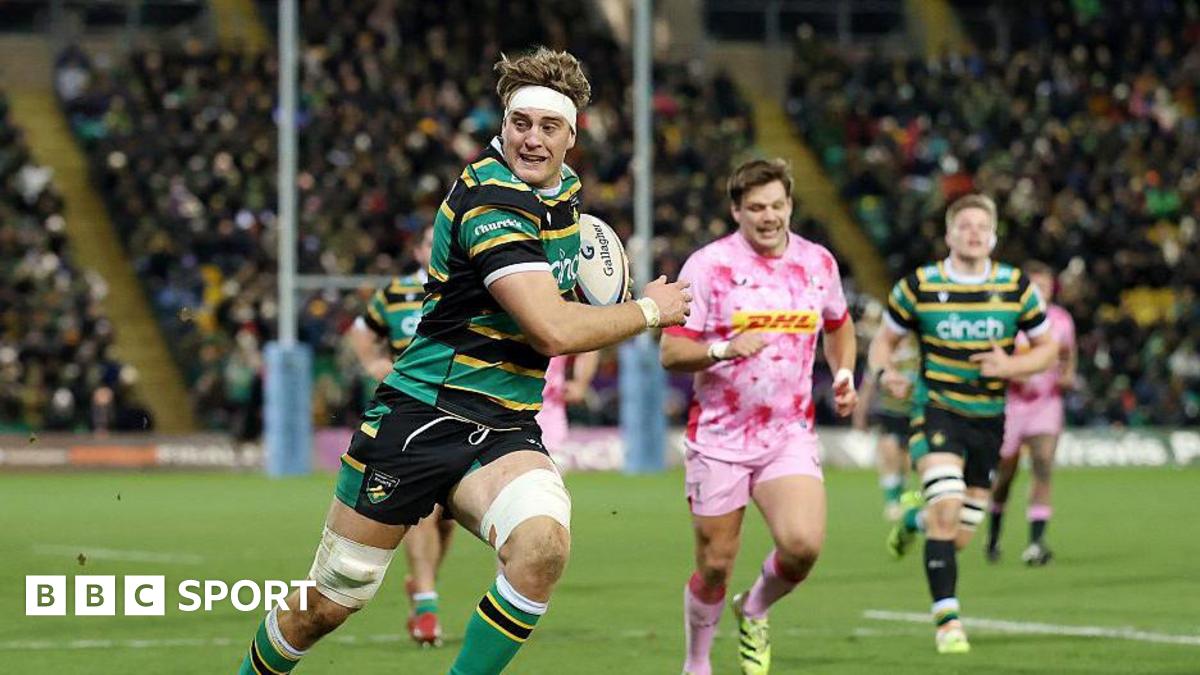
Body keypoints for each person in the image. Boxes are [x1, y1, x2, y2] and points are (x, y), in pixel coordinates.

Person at [237, 46, 691, 675]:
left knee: (542, 548)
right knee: (331, 599)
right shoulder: (491, 201)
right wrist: (648, 310)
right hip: (420, 419)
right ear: (501, 126)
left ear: (572, 134)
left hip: (502, 426)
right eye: (519, 123)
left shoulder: (566, 196)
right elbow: (551, 329)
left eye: (548, 126)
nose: (532, 139)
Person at [660, 158, 858, 675]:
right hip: (720, 438)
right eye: (755, 208)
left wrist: (844, 373)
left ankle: (755, 607)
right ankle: (697, 661)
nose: (768, 217)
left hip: (787, 433)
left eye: (777, 206)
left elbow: (839, 325)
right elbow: (672, 352)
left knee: (802, 546)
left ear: (790, 204)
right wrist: (725, 349)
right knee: (715, 563)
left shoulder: (818, 263)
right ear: (736, 210)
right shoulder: (708, 267)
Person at [868, 193, 1058, 654]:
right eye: (964, 226)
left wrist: (1010, 367)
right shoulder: (918, 286)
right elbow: (884, 341)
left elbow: (1048, 348)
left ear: (992, 236)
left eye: (981, 227)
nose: (973, 233)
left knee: (958, 533)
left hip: (989, 420)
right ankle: (948, 623)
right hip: (937, 410)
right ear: (950, 234)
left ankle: (913, 519)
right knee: (948, 507)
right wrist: (884, 373)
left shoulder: (1015, 288)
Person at [346, 223, 457, 646]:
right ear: (418, 250)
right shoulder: (396, 293)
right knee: (423, 513)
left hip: (458, 415)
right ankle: (427, 605)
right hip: (408, 413)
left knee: (446, 520)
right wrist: (373, 363)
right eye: (431, 243)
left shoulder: (463, 286)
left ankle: (421, 583)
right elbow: (360, 329)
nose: (438, 248)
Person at [985, 261, 1077, 566]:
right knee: (1004, 477)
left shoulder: (1062, 320)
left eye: (1047, 286)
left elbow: (1068, 355)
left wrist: (1067, 375)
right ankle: (994, 535)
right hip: (1011, 406)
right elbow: (992, 362)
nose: (1042, 291)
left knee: (1043, 464)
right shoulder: (1008, 319)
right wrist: (1014, 373)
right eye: (1036, 286)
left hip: (1046, 404)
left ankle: (1037, 543)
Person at [852, 309, 919, 521]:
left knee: (907, 458)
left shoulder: (918, 348)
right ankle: (892, 502)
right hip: (888, 409)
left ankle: (904, 496)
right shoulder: (883, 349)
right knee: (889, 450)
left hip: (912, 409)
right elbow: (869, 383)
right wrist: (859, 413)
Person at [536, 352, 599, 462]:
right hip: (505, 408)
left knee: (554, 462)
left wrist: (580, 384)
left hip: (549, 409)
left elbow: (589, 349)